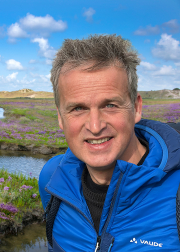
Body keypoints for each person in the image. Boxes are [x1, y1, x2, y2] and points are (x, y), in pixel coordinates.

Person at [38, 34, 180, 251]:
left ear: (136, 108)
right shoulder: (52, 177)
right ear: (60, 117)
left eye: (110, 105)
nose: (95, 126)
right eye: (78, 108)